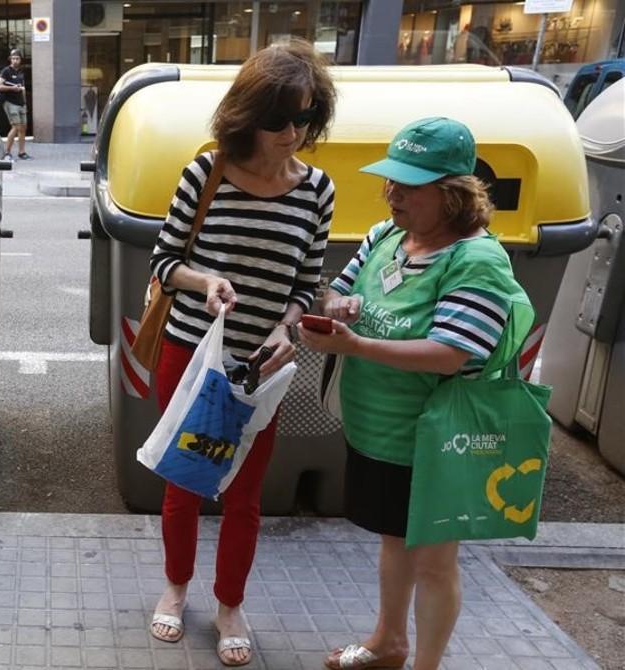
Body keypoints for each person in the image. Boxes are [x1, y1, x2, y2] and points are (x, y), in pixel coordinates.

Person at [300, 117, 526, 670]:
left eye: (409, 184)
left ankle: (424, 664)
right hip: (378, 431)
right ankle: (387, 642)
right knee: (393, 541)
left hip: (435, 439)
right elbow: (341, 290)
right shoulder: (387, 237)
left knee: (433, 562)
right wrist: (337, 309)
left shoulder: (477, 260)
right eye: (390, 181)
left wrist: (356, 348)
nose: (392, 193)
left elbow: (452, 352)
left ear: (452, 195)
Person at [147, 39, 336, 667]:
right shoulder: (207, 172)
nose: (291, 132)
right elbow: (165, 262)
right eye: (278, 118)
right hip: (191, 356)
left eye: (305, 118)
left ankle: (230, 603)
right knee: (185, 482)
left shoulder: (317, 191)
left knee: (246, 496)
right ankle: (176, 589)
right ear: (246, 114)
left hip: (264, 369)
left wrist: (289, 326)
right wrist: (206, 282)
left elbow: (309, 281)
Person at [0, 49, 30, 160]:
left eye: (17, 58)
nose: (15, 60)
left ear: (20, 60)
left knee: (23, 128)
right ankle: (7, 152)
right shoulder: (6, 71)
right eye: (13, 58)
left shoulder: (20, 72)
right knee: (15, 127)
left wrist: (25, 103)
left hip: (21, 104)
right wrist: (12, 88)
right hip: (10, 103)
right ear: (10, 59)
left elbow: (23, 88)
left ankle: (22, 152)